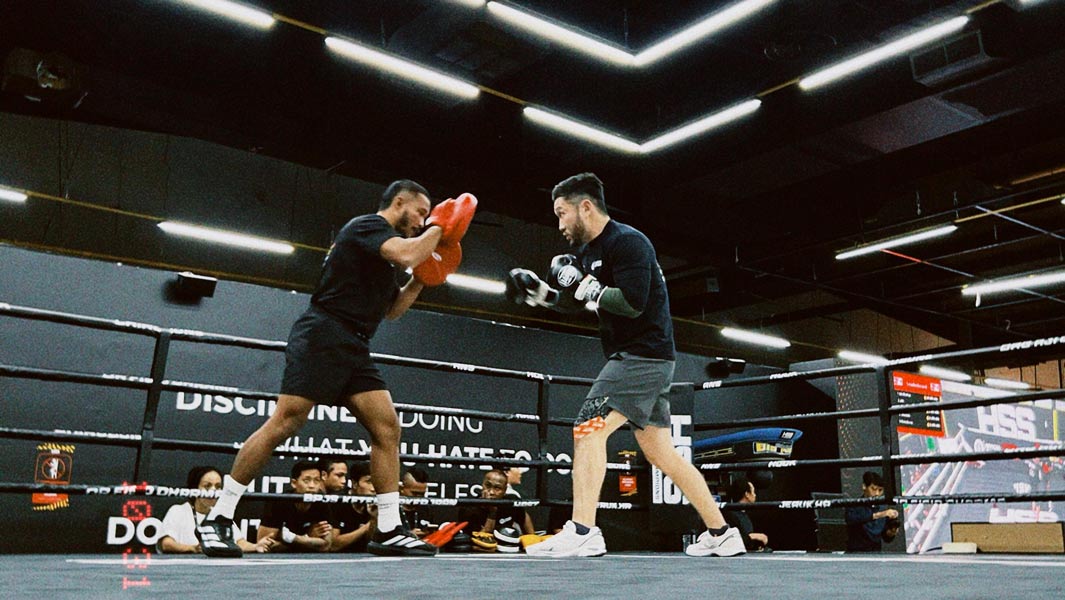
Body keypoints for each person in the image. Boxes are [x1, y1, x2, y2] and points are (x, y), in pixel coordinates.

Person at [197, 180, 475, 558]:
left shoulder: (384, 256)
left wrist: (425, 278)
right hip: (324, 332)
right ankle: (218, 516)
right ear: (399, 203)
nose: (423, 221)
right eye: (421, 213)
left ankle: (388, 527)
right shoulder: (368, 227)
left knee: (387, 427)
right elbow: (408, 253)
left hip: (354, 344)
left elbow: (393, 310)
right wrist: (441, 228)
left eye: (429, 216)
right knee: (286, 421)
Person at [505, 172, 744, 558]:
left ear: (585, 207)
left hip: (642, 356)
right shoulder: (588, 254)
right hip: (642, 358)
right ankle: (722, 533)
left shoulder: (629, 242)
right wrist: (542, 295)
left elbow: (632, 303)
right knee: (662, 454)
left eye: (562, 213)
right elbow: (581, 301)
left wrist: (585, 285)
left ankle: (584, 530)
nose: (559, 223)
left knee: (587, 429)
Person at [156, 466, 276, 555]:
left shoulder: (221, 513)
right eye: (207, 486)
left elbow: (240, 543)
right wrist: (192, 548)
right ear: (194, 488)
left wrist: (256, 546)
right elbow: (166, 544)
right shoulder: (178, 511)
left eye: (218, 487)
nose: (213, 491)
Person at [257, 460, 334, 552]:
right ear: (294, 483)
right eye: (306, 480)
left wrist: (291, 538)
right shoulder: (278, 502)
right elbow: (264, 545)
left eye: (316, 480)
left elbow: (326, 546)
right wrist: (309, 540)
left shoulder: (322, 502)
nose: (312, 486)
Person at [457, 469, 536, 537]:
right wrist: (492, 513)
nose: (491, 492)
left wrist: (532, 538)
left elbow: (524, 516)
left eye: (497, 488)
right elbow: (481, 541)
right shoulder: (469, 509)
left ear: (504, 490)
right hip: (482, 548)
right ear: (482, 485)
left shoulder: (510, 502)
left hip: (507, 546)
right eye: (488, 485)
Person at [845, 471, 900, 552]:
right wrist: (880, 515)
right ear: (864, 486)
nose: (877, 493)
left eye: (880, 490)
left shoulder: (883, 508)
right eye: (873, 489)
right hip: (856, 553)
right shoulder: (854, 505)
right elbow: (851, 519)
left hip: (875, 553)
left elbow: (885, 537)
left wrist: (892, 532)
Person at [329, 460, 378, 552]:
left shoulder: (374, 505)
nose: (374, 488)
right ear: (355, 484)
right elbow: (333, 545)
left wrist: (374, 519)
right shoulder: (338, 502)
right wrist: (365, 528)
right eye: (369, 481)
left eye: (377, 482)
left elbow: (374, 544)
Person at [723, 476, 769, 552]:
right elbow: (729, 540)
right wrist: (753, 536)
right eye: (753, 492)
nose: (755, 495)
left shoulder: (743, 514)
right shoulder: (731, 515)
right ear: (747, 494)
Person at [399, 467, 434, 538]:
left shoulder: (425, 508)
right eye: (415, 493)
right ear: (401, 489)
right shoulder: (391, 508)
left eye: (422, 494)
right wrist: (408, 534)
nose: (418, 498)